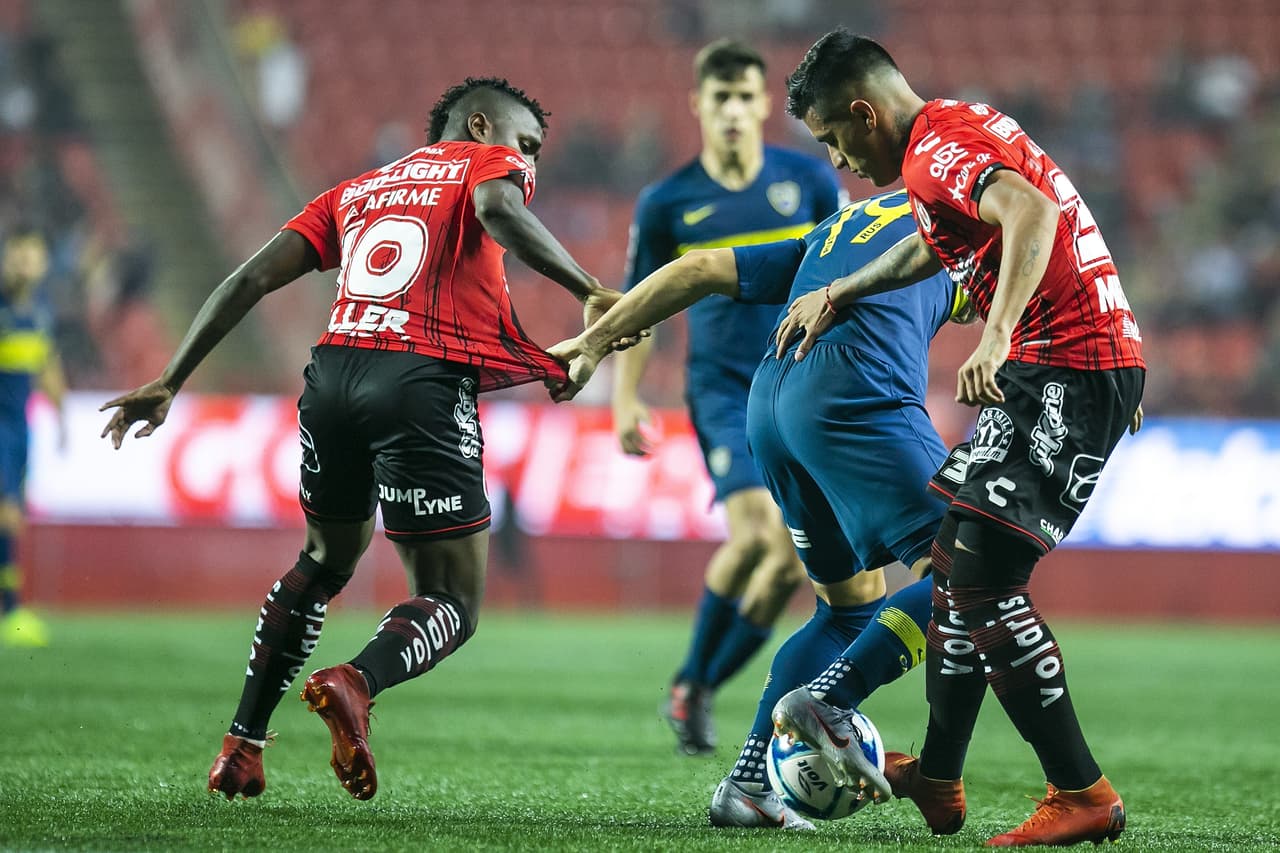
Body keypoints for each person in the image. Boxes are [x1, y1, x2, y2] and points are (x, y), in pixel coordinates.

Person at [100, 77, 632, 802]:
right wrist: (587, 287)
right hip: (419, 379)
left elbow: (253, 276)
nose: (530, 163)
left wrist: (170, 376)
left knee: (324, 558)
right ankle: (356, 680)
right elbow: (498, 208)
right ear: (478, 124)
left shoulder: (358, 188)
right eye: (526, 144)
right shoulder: (483, 164)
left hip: (332, 375)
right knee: (452, 598)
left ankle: (241, 744)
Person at [769, 30, 1145, 847]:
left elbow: (1031, 211)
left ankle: (1081, 790)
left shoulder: (934, 152)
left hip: (1062, 367)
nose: (837, 159)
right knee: (952, 568)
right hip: (1076, 366)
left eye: (834, 137)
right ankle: (938, 773)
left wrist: (999, 331)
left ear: (865, 112)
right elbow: (933, 243)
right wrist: (843, 287)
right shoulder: (955, 128)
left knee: (981, 583)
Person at [549, 187, 972, 829]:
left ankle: (747, 785)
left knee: (850, 607)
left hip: (771, 405)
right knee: (970, 574)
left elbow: (697, 270)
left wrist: (593, 342)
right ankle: (828, 701)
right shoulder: (967, 218)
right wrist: (1103, 374)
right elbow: (1029, 299)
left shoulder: (837, 227)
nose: (838, 161)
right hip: (855, 395)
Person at [614, 38, 843, 755]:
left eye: (747, 96)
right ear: (700, 106)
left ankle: (694, 685)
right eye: (722, 98)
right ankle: (693, 687)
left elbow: (841, 271)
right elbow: (639, 305)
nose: (736, 111)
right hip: (719, 391)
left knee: (783, 570)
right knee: (755, 537)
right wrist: (625, 398)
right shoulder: (669, 203)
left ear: (767, 103)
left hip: (796, 382)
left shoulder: (808, 180)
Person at [0, 227, 65, 648]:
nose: (27, 262)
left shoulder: (40, 313)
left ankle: (11, 610)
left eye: (34, 255)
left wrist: (62, 419)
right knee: (5, 514)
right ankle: (10, 611)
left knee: (14, 518)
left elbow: (48, 365)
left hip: (21, 428)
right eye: (20, 254)